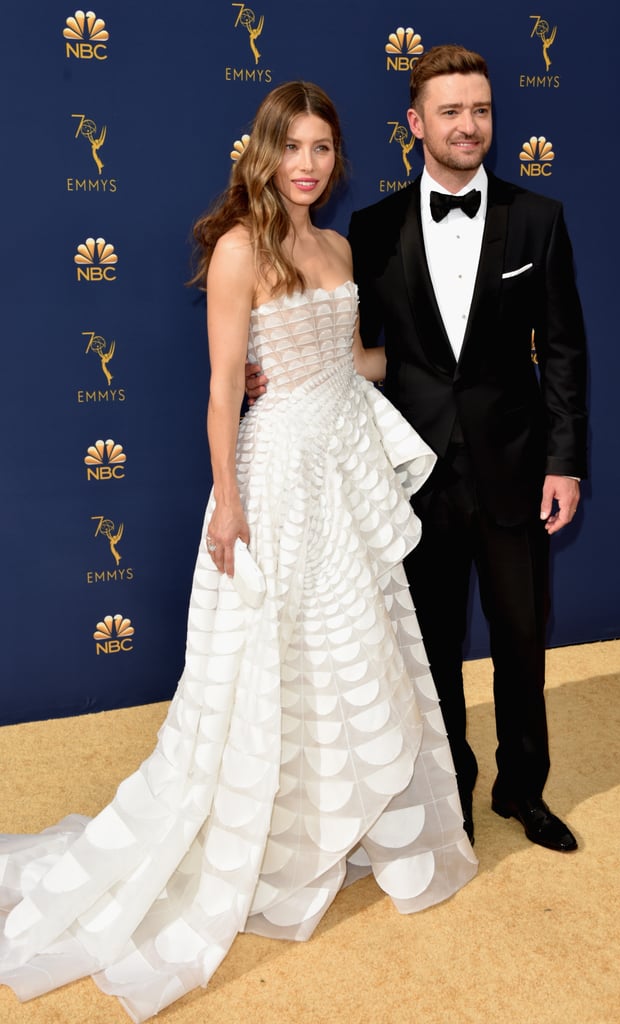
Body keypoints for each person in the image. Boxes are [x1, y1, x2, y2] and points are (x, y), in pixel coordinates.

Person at [0, 81, 477, 1023]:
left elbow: (353, 363)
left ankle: (336, 823)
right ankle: (270, 834)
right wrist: (227, 501)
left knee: (354, 645)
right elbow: (224, 386)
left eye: (323, 149)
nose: (308, 163)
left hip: (344, 462)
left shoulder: (336, 247)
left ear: (337, 159)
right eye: (293, 146)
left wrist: (455, 355)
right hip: (279, 472)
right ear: (263, 152)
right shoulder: (238, 249)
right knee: (276, 653)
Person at [247, 46, 588, 853]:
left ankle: (524, 790)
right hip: (410, 475)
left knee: (520, 641)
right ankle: (453, 791)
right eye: (451, 111)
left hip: (515, 467)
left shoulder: (539, 218)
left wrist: (564, 461)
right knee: (429, 647)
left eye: (481, 110)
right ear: (417, 124)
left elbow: (567, 351)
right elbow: (350, 341)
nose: (468, 125)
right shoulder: (369, 228)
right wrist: (275, 373)